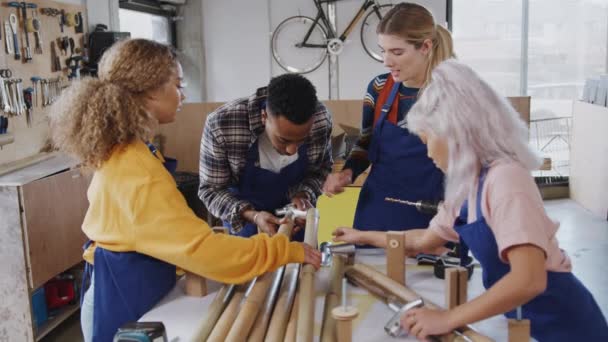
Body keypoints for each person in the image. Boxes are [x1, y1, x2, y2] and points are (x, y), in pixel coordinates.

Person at [49, 39, 321, 342]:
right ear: (151, 91)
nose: (183, 94)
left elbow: (165, 234)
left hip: (129, 283)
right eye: (178, 85)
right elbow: (201, 251)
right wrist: (285, 250)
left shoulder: (131, 151)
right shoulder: (136, 172)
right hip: (122, 298)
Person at [334, 59, 608, 341]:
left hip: (567, 327)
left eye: (427, 139)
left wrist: (447, 319)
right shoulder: (467, 184)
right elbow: (423, 240)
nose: (427, 152)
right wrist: (361, 235)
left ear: (455, 133)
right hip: (522, 321)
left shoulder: (506, 180)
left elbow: (529, 279)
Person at [322, 2, 455, 234]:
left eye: (397, 52)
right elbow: (366, 141)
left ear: (425, 46)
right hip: (378, 210)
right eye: (383, 50)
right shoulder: (379, 87)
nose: (386, 61)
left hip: (434, 212)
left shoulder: (453, 93)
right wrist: (348, 171)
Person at [198, 73, 332, 241]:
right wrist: (253, 216)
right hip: (245, 222)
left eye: (302, 140)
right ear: (264, 116)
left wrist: (304, 195)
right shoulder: (223, 124)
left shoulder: (320, 120)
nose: (292, 150)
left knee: (298, 266)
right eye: (284, 139)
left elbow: (319, 171)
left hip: (295, 223)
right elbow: (211, 189)